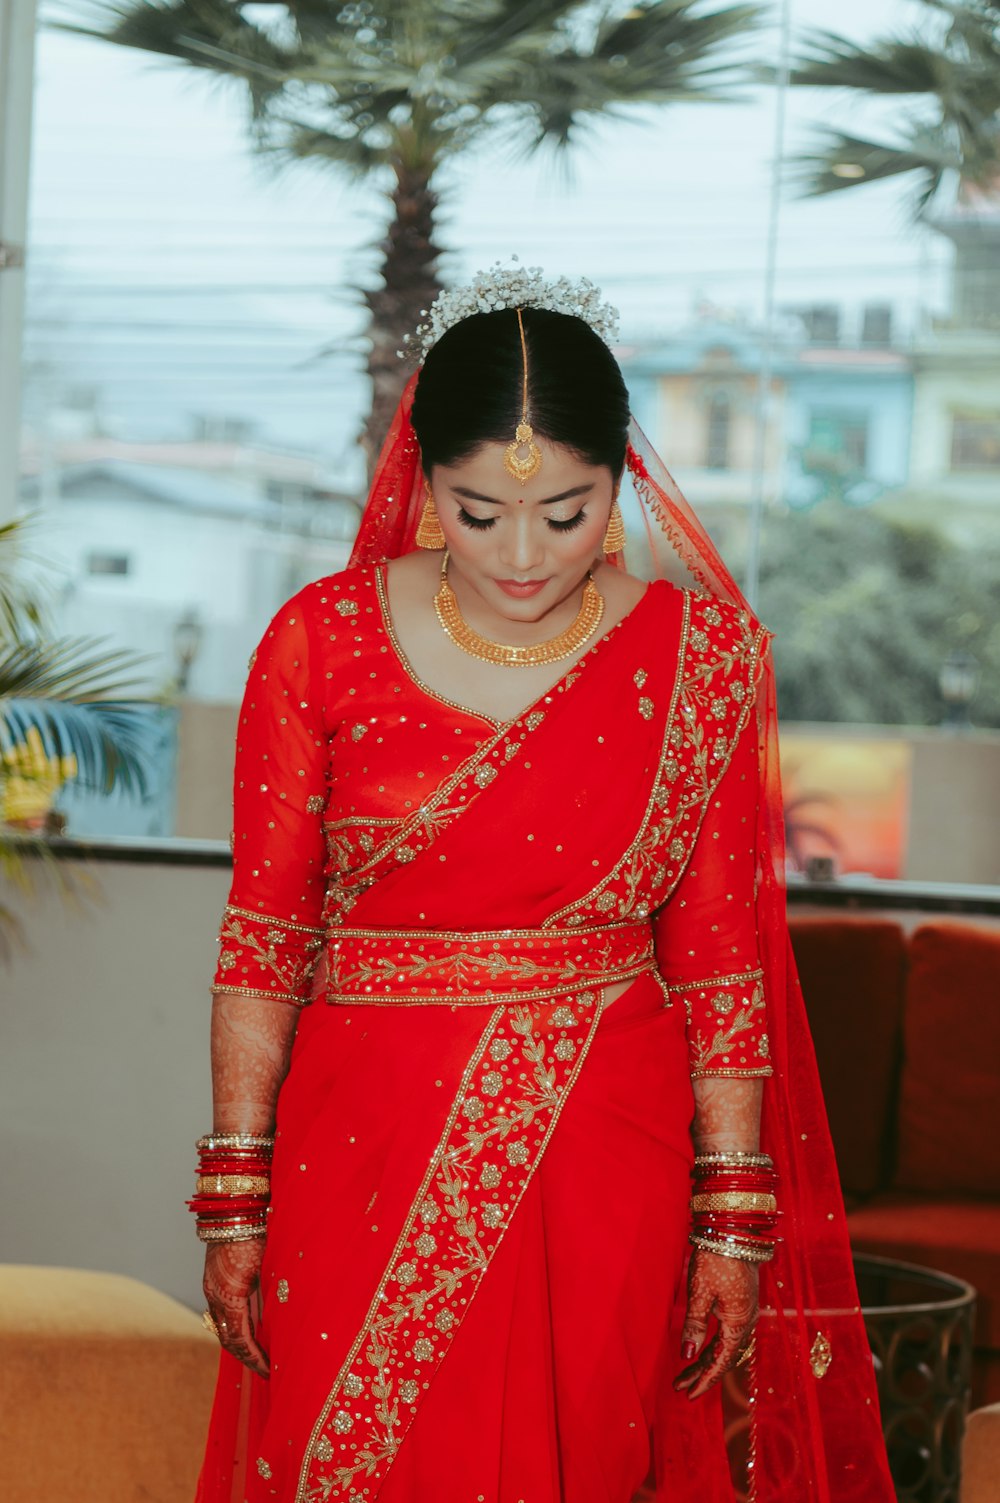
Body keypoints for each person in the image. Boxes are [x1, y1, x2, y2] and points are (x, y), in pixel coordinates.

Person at [191, 270, 895, 1503]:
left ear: (620, 480)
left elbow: (721, 960)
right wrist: (233, 1194)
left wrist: (730, 1218)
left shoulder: (700, 665)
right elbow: (265, 936)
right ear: (421, 481)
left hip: (601, 1143)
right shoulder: (320, 640)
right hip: (359, 1141)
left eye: (566, 514)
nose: (523, 555)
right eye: (477, 513)